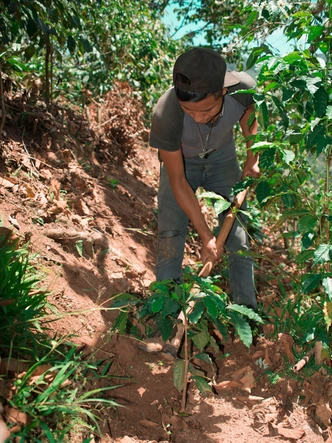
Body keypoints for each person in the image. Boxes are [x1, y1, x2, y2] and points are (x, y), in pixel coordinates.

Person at [149, 47, 260, 310]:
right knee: (170, 233)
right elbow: (177, 180)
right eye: (190, 111)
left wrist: (252, 156)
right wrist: (206, 236)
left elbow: (249, 112)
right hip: (182, 164)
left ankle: (247, 311)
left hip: (222, 159)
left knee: (238, 237)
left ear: (222, 91)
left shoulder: (242, 88)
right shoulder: (165, 114)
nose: (198, 118)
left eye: (206, 110)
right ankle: (165, 312)